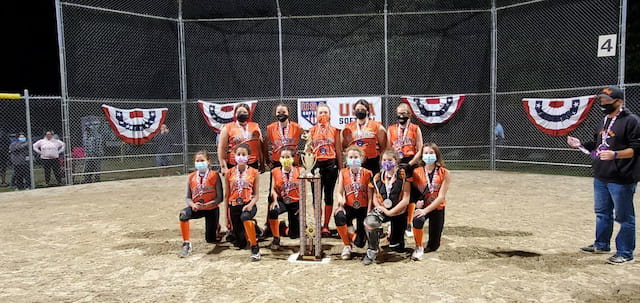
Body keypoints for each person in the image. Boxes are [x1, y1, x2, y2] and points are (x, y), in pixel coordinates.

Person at [567, 86, 639, 265]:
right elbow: (598, 145)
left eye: (607, 100)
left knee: (624, 217)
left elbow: (637, 148)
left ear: (619, 101)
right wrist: (580, 144)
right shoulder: (604, 121)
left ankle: (625, 252)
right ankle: (601, 244)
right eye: (602, 100)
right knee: (602, 213)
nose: (603, 103)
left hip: (621, 178)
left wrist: (616, 154)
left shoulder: (632, 121)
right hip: (602, 175)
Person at [362, 149, 410, 265]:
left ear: (396, 161)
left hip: (399, 211)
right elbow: (374, 197)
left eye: (390, 160)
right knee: (370, 222)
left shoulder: (403, 176)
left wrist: (392, 212)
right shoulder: (377, 177)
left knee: (396, 246)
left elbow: (406, 199)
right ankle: (372, 250)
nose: (386, 162)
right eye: (384, 160)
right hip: (383, 209)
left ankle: (395, 238)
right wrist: (382, 209)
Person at [264, 104, 302, 238]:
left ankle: (294, 222)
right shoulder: (270, 128)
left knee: (294, 191)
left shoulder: (297, 127)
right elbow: (265, 143)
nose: (281, 114)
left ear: (288, 113)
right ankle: (269, 224)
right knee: (273, 193)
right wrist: (266, 159)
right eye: (278, 112)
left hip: (293, 162)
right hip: (276, 162)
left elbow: (305, 141)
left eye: (283, 112)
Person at [387, 103, 423, 237]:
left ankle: (408, 223)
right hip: (396, 162)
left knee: (411, 194)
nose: (401, 116)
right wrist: (393, 164)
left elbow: (420, 148)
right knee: (396, 192)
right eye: (399, 113)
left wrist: (411, 163)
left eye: (404, 113)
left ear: (410, 114)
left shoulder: (415, 128)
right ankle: (393, 223)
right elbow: (389, 148)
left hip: (410, 162)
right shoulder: (391, 129)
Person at [178, 150, 223, 258]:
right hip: (197, 208)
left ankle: (216, 227)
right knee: (183, 214)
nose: (199, 163)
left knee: (211, 240)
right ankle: (186, 243)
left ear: (208, 161)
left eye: (202, 160)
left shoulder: (215, 175)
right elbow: (188, 197)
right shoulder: (191, 177)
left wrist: (208, 204)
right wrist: (192, 205)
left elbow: (220, 198)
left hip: (211, 209)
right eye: (197, 161)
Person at [410, 143, 451, 261]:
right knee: (418, 219)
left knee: (434, 246)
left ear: (437, 155)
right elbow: (413, 192)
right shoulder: (416, 172)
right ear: (422, 156)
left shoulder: (445, 173)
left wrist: (425, 210)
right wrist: (417, 202)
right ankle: (418, 247)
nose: (428, 155)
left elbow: (441, 197)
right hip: (423, 205)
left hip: (437, 207)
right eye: (426, 153)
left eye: (431, 153)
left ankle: (435, 241)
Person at [333, 146, 374, 260]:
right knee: (339, 216)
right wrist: (340, 203)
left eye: (356, 157)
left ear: (361, 158)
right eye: (351, 157)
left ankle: (354, 233)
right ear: (346, 159)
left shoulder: (367, 173)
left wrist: (370, 210)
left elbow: (371, 195)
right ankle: (347, 245)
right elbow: (339, 192)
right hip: (349, 206)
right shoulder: (343, 172)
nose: (353, 159)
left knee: (360, 243)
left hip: (363, 208)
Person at [308, 103, 342, 236]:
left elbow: (338, 150)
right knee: (316, 197)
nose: (323, 115)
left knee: (328, 196)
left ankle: (326, 226)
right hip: (316, 165)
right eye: (320, 112)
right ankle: (317, 224)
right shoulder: (311, 131)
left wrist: (341, 169)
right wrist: (309, 169)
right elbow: (308, 152)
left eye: (325, 112)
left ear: (330, 115)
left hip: (330, 164)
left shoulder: (335, 130)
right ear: (316, 115)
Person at [225, 144, 261, 261]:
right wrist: (226, 216)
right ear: (233, 156)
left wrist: (250, 205)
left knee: (245, 217)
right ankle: (253, 227)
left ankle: (255, 247)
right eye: (238, 154)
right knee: (240, 244)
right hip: (234, 206)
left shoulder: (254, 172)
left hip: (248, 205)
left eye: (244, 154)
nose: (241, 157)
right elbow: (227, 195)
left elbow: (256, 195)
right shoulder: (229, 173)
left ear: (249, 156)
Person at [268, 147, 302, 249]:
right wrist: (274, 200)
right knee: (273, 211)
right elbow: (273, 189)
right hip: (281, 200)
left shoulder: (299, 170)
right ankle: (276, 238)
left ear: (293, 158)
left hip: (295, 202)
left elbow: (304, 189)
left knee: (294, 235)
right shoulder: (275, 171)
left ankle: (283, 229)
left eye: (288, 157)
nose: (285, 159)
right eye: (283, 157)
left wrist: (302, 206)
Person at [218, 104, 265, 175]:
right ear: (235, 114)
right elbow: (222, 148)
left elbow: (260, 146)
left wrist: (262, 163)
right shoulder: (228, 127)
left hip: (252, 163)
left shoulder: (255, 126)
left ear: (249, 114)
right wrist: (223, 166)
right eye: (239, 112)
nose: (242, 114)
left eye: (244, 112)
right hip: (234, 163)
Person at [342, 99, 387, 173]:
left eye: (362, 109)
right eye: (357, 109)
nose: (360, 111)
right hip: (354, 161)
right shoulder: (347, 127)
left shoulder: (377, 126)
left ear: (368, 111)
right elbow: (343, 146)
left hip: (371, 161)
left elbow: (383, 147)